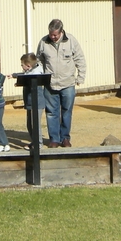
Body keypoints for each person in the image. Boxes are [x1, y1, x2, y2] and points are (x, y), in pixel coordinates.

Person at [37, 19, 87, 148]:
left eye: (55, 35)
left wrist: (80, 77)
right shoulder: (43, 42)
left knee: (66, 112)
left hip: (68, 83)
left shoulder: (71, 40)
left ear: (61, 32)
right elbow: (39, 60)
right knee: (51, 112)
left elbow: (80, 58)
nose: (52, 37)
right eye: (51, 34)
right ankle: (54, 139)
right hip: (50, 84)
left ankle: (65, 138)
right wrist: (42, 77)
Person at [18, 53, 47, 149]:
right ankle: (34, 141)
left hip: (37, 103)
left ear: (29, 65)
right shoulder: (29, 71)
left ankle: (39, 144)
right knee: (29, 124)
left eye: (22, 65)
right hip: (29, 102)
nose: (21, 66)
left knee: (35, 124)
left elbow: (30, 80)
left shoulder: (36, 73)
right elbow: (23, 76)